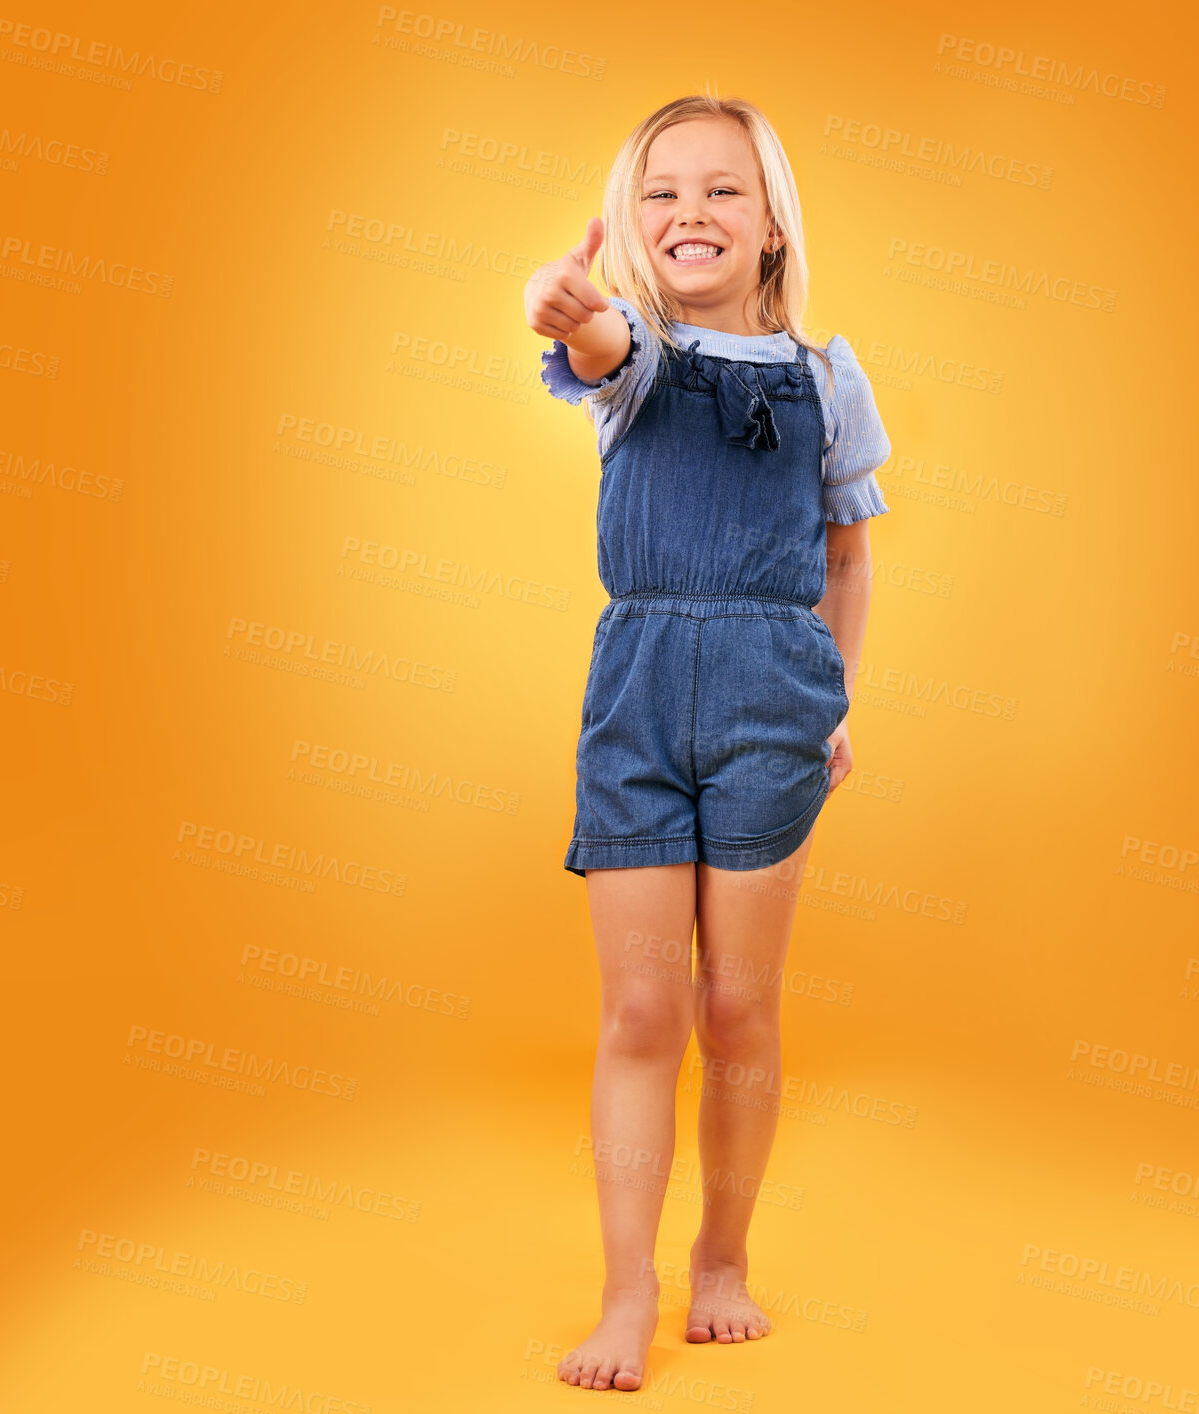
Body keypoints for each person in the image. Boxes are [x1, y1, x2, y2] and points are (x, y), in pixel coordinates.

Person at [524, 92, 891, 1393]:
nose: (690, 212)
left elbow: (847, 556)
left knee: (737, 1005)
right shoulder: (634, 367)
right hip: (635, 695)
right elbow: (591, 335)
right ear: (634, 220)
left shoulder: (825, 378)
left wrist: (833, 698)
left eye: (722, 189)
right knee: (641, 1004)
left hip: (770, 699)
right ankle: (627, 1291)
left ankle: (719, 1259)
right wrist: (562, 304)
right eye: (663, 190)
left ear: (772, 225)